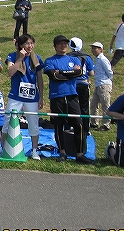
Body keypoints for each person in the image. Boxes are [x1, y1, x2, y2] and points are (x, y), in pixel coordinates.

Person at [44, 35, 93, 164]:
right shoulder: (50, 60)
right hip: (57, 96)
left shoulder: (74, 59)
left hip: (72, 95)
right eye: (60, 44)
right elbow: (54, 76)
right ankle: (62, 152)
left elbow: (79, 73)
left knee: (78, 124)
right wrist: (70, 73)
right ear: (55, 46)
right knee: (59, 125)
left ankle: (80, 154)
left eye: (65, 43)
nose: (63, 46)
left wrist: (63, 73)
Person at [0, 34, 44, 159]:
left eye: (32, 43)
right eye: (27, 43)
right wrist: (20, 59)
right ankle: (2, 148)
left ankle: (34, 150)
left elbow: (40, 78)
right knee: (8, 121)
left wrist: (41, 97)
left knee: (33, 122)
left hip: (32, 96)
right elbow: (10, 72)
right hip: (16, 96)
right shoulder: (12, 56)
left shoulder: (37, 58)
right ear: (21, 45)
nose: (30, 46)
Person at [68, 37, 95, 151]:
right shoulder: (86, 57)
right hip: (83, 84)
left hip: (71, 84)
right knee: (84, 107)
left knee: (71, 106)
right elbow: (92, 73)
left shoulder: (68, 56)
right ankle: (86, 129)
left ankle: (70, 126)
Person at [89, 42, 113, 131]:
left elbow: (110, 72)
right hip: (98, 85)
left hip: (104, 84)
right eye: (92, 48)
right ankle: (94, 123)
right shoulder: (97, 59)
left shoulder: (103, 59)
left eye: (95, 48)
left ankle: (106, 125)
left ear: (101, 49)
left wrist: (107, 82)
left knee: (105, 105)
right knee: (94, 105)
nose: (93, 50)